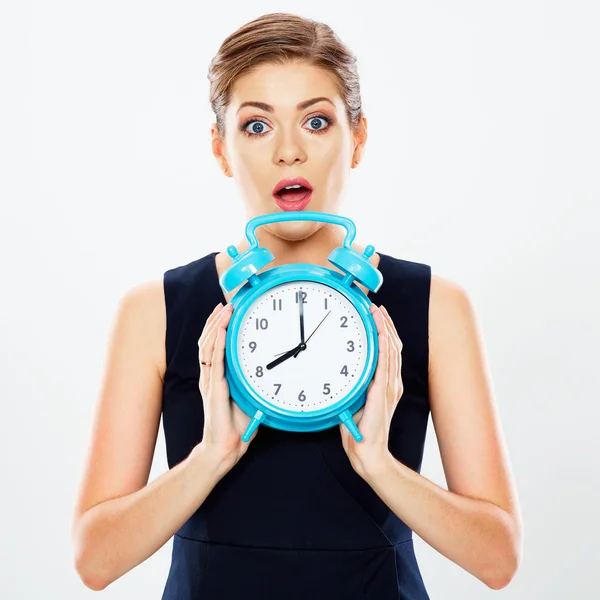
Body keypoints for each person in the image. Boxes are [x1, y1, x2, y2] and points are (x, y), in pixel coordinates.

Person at [70, 12, 523, 599]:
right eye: (257, 127)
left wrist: (381, 466)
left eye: (316, 121)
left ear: (357, 138)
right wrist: (210, 456)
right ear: (221, 149)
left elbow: (499, 559)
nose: (288, 152)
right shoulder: (154, 310)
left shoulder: (435, 305)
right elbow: (93, 562)